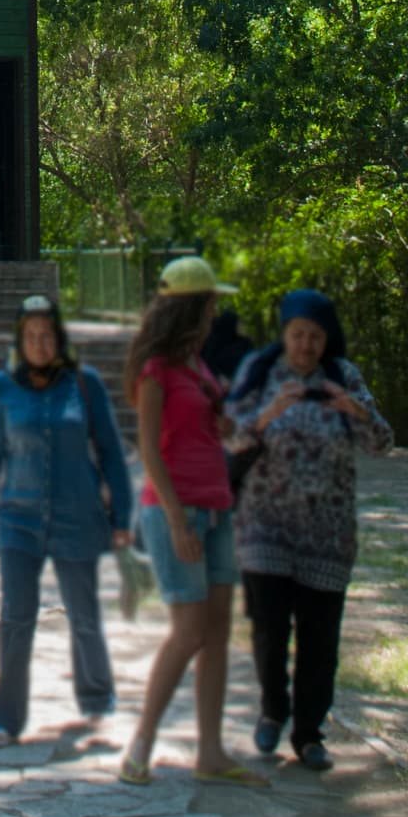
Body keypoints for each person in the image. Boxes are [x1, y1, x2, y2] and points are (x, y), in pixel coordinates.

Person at [226, 290, 394, 772]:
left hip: (329, 533)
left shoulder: (344, 376)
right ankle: (272, 709)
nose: (305, 345)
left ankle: (309, 733)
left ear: (327, 340)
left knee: (320, 641)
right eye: (298, 335)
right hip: (265, 527)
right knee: (270, 630)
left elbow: (382, 443)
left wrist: (355, 409)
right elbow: (233, 439)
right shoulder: (260, 372)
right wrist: (268, 413)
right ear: (283, 334)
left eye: (315, 337)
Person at [0, 294, 135, 746]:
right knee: (16, 618)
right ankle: (3, 717)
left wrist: (122, 512)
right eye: (31, 336)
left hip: (78, 518)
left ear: (60, 338)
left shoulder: (85, 384)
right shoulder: (3, 387)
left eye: (47, 335)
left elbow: (112, 451)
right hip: (17, 521)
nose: (40, 343)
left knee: (84, 614)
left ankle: (98, 697)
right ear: (20, 340)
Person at [119, 255, 260, 786]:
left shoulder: (198, 365)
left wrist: (221, 424)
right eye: (209, 303)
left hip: (219, 506)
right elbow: (151, 451)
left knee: (218, 632)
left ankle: (211, 751)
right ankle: (141, 746)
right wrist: (178, 521)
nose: (214, 312)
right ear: (190, 307)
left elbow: (200, 433)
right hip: (174, 511)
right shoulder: (154, 369)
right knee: (188, 631)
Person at [202, 306, 254, 387]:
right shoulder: (215, 342)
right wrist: (219, 377)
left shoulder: (245, 343)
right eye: (238, 323)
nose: (241, 326)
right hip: (220, 384)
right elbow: (209, 362)